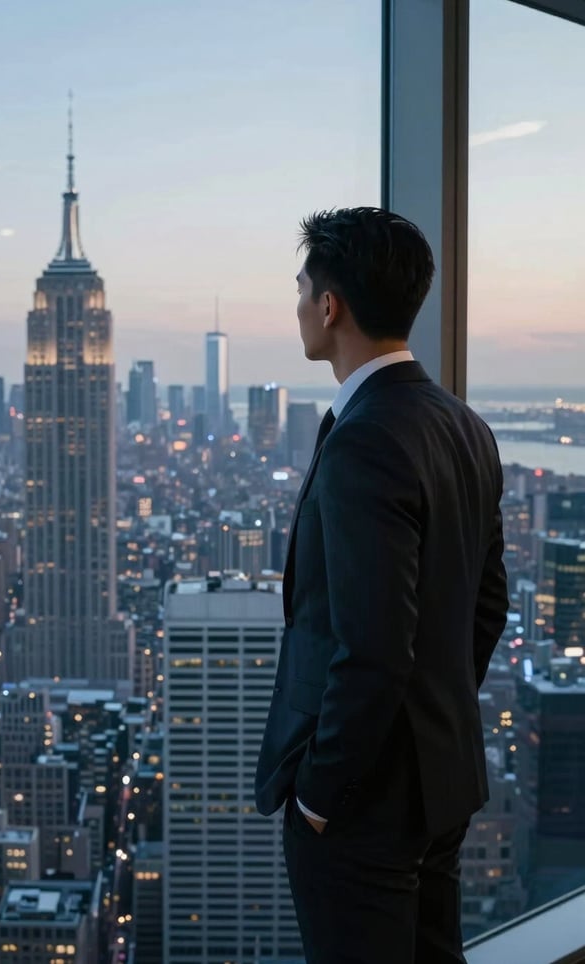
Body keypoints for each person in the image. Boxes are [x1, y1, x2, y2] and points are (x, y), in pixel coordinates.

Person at [255, 207, 509, 964]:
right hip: (442, 782)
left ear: (330, 307)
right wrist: (436, 718)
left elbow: (370, 646)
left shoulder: (365, 435)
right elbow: (486, 605)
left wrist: (319, 797)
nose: (299, 305)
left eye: (303, 289)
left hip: (365, 799)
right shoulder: (463, 425)